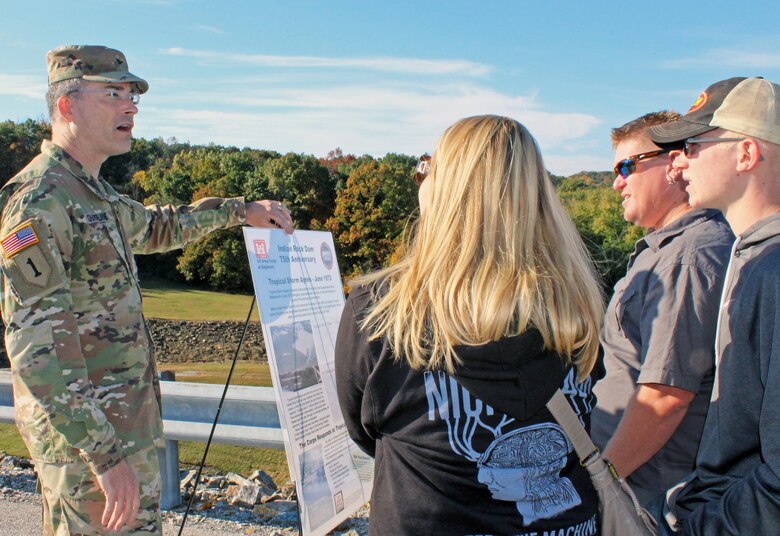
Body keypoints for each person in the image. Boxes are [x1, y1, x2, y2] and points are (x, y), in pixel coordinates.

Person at [0, 45, 293, 535]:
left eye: (132, 94)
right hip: (88, 453)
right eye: (113, 92)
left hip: (122, 435)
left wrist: (241, 211)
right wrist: (105, 457)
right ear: (66, 105)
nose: (130, 106)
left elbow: (161, 226)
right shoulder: (39, 203)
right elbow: (37, 352)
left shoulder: (96, 195)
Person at [335, 115, 604, 536]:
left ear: (445, 191)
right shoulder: (577, 308)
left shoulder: (381, 309)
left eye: (427, 168)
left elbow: (364, 428)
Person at [646, 76, 780, 534]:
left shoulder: (774, 270)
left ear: (746, 153)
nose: (677, 163)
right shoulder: (753, 255)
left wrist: (704, 524)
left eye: (694, 145)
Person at [590, 112, 733, 506]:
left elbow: (665, 396)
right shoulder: (665, 250)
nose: (617, 182)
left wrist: (601, 482)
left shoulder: (687, 257)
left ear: (673, 164)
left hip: (649, 493)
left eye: (626, 166)